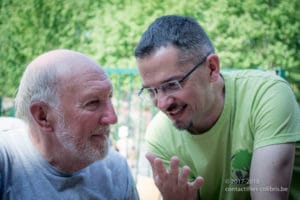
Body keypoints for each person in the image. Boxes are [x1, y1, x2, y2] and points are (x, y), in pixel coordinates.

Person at [134, 15, 300, 200]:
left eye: (172, 84)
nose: (162, 103)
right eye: (151, 91)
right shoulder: (159, 135)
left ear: (212, 69)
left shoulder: (266, 94)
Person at [0, 49, 139, 200]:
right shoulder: (6, 162)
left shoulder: (115, 170)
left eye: (109, 98)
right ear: (43, 116)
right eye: (93, 103)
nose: (112, 118)